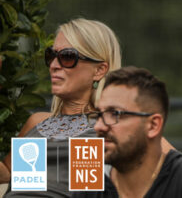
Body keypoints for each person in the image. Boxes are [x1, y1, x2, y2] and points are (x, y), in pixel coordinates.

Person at [2, 18, 122, 198]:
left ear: (99, 70)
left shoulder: (109, 126)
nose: (53, 66)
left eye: (67, 57)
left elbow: (168, 166)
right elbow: (9, 176)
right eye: (51, 56)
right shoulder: (39, 122)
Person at [93, 66, 182, 197]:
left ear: (153, 125)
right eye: (99, 115)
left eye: (115, 113)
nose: (99, 126)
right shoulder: (91, 190)